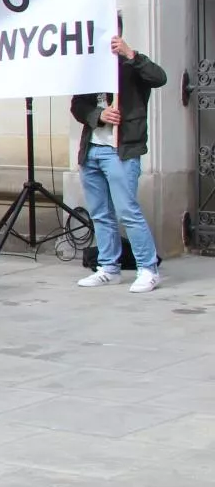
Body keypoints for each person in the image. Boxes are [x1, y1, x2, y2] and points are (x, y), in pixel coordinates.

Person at [72, 19, 168, 295]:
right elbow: (78, 105)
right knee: (101, 213)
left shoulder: (132, 65)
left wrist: (131, 54)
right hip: (92, 150)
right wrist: (98, 116)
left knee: (127, 210)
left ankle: (148, 269)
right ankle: (108, 268)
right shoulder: (88, 66)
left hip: (121, 151)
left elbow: (159, 78)